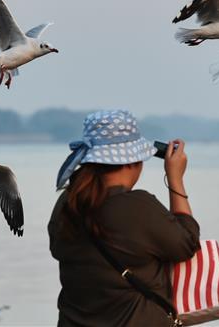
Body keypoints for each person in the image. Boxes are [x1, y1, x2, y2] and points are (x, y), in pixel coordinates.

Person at [48, 109, 200, 327]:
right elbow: (187, 243)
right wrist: (175, 179)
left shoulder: (66, 203)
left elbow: (57, 249)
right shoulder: (137, 207)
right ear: (132, 162)